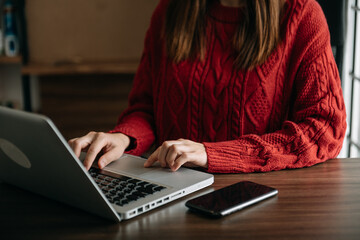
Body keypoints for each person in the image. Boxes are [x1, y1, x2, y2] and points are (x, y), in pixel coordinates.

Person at [68, 0, 347, 173]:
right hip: (174, 191)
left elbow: (325, 130)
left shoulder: (303, 16)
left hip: (261, 197)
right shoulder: (169, 11)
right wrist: (124, 137)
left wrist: (212, 154)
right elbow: (146, 108)